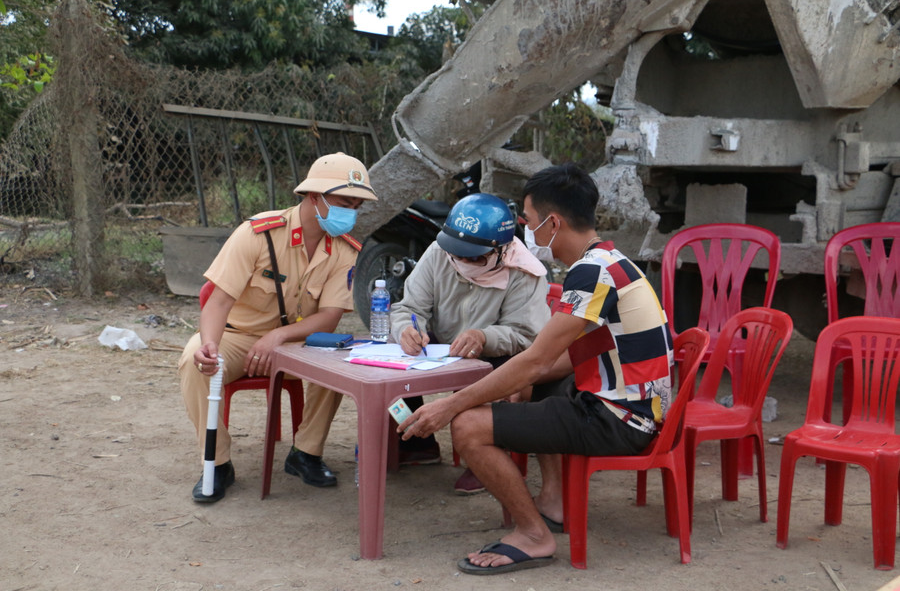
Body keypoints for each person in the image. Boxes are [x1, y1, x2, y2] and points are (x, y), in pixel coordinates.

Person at [398, 163, 673, 574]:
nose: (524, 231)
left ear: (553, 222)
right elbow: (558, 358)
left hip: (619, 418)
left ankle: (532, 535)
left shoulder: (590, 273)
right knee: (537, 387)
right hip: (634, 409)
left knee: (468, 427)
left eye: (527, 220)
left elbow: (536, 358)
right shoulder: (612, 261)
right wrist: (523, 383)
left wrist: (450, 407)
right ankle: (554, 504)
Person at [179, 152, 378, 503]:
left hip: (297, 341)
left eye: (358, 205)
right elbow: (218, 301)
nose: (352, 211)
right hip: (239, 337)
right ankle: (218, 462)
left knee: (340, 355)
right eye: (346, 202)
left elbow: (330, 317)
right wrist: (209, 344)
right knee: (193, 360)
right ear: (315, 196)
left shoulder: (345, 250)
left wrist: (278, 337)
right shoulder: (258, 234)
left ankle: (306, 453)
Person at [390, 193, 551, 494]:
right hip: (441, 347)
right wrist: (406, 329)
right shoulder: (439, 252)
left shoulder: (525, 271)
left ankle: (484, 456)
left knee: (492, 379)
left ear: (501, 250)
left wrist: (483, 336)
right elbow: (409, 307)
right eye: (457, 253)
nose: (462, 262)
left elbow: (526, 336)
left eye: (473, 256)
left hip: (497, 357)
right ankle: (417, 444)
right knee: (391, 375)